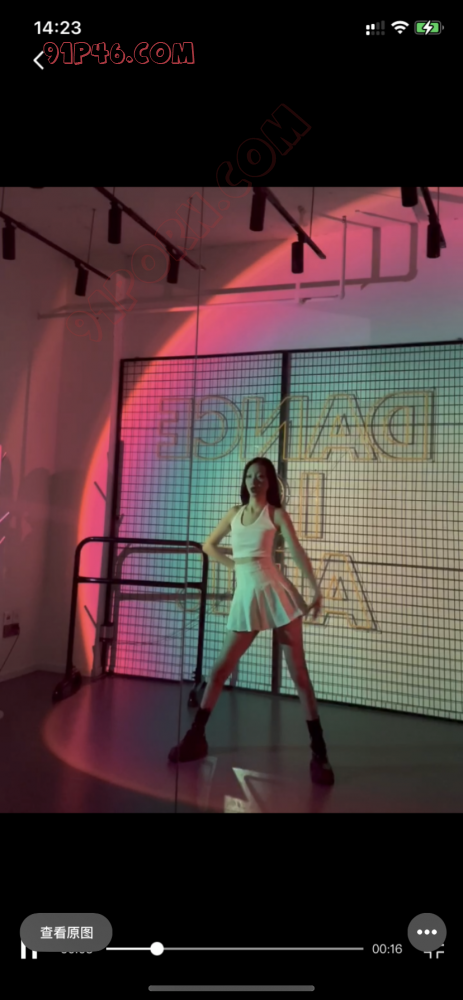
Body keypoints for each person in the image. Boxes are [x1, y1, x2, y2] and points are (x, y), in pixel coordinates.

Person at [168, 457, 335, 786]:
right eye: (249, 476)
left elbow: (297, 551)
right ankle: (196, 737)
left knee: (300, 676)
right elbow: (208, 545)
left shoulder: (276, 514)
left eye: (260, 476)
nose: (254, 481)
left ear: (270, 481)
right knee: (219, 671)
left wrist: (316, 589)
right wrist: (236, 567)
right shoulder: (235, 513)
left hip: (277, 594)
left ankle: (320, 752)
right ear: (244, 480)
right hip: (247, 597)